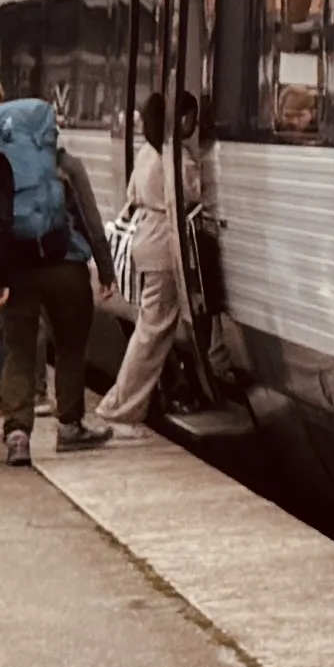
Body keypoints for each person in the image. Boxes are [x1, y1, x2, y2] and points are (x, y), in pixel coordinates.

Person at [0, 76, 119, 461]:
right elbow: (90, 220)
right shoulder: (66, 165)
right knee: (69, 346)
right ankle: (69, 426)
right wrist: (106, 268)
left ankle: (17, 434)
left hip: (16, 270)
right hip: (66, 268)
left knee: (18, 350)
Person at [109, 93, 203, 432]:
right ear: (179, 121)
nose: (194, 125)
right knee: (152, 331)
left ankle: (124, 401)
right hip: (165, 245)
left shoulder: (147, 151)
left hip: (145, 239)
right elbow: (193, 195)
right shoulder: (178, 157)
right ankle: (120, 406)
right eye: (191, 117)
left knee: (148, 326)